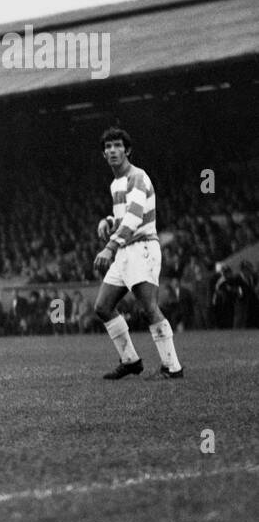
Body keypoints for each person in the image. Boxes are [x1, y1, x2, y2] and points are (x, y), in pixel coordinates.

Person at [91, 127, 184, 379]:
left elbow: (134, 218)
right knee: (103, 306)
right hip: (124, 251)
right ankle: (131, 360)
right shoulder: (116, 183)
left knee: (148, 308)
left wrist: (109, 246)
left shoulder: (137, 177)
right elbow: (125, 214)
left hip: (142, 247)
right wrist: (109, 220)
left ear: (127, 150)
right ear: (103, 154)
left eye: (117, 146)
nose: (112, 150)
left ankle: (172, 367)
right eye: (108, 147)